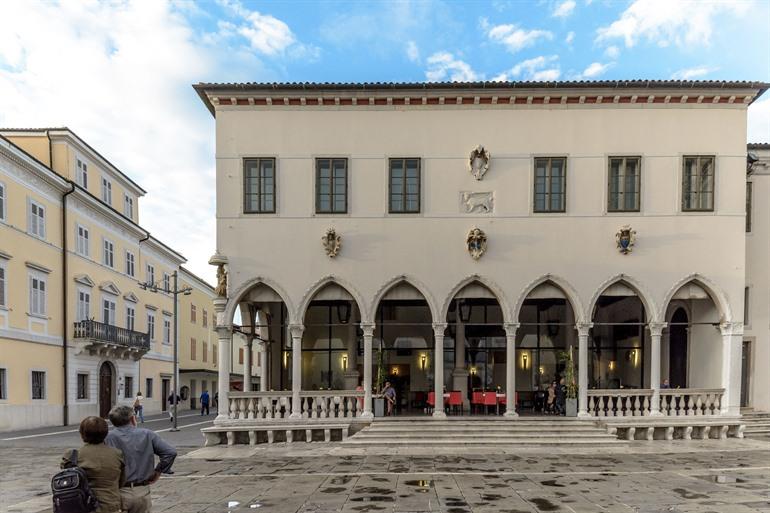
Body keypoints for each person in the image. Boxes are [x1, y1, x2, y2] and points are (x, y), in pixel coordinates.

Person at [106, 405, 176, 513]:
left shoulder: (107, 438)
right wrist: (158, 471)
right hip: (141, 490)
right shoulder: (147, 434)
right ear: (132, 418)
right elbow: (170, 452)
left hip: (117, 490)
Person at [61, 416, 125, 513]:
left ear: (82, 434)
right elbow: (122, 481)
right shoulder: (117, 454)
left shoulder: (72, 455)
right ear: (106, 433)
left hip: (82, 506)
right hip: (110, 505)